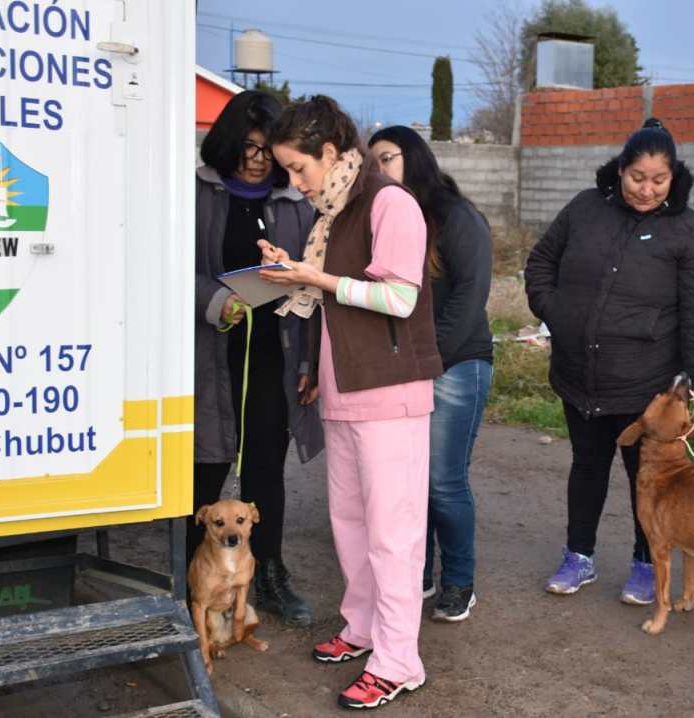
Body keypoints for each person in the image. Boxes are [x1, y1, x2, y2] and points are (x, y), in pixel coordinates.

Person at [260, 97, 442, 710]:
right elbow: (334, 298)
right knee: (351, 525)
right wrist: (295, 271)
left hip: (390, 393)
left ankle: (399, 661)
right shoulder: (330, 212)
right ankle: (361, 628)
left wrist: (314, 280)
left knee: (394, 535)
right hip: (344, 390)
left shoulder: (392, 202)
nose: (293, 181)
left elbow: (399, 300)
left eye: (298, 168)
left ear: (331, 153)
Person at [524, 118, 694, 605]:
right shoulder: (585, 209)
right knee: (586, 465)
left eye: (659, 179)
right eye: (637, 177)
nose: (647, 190)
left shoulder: (690, 229)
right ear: (619, 170)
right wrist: (554, 312)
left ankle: (642, 561)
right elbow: (541, 262)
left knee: (647, 476)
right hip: (579, 373)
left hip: (645, 384)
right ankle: (579, 556)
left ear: (674, 176)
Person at [192, 90, 323, 626]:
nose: (256, 159)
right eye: (246, 147)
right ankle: (193, 576)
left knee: (266, 468)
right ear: (226, 142)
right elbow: (163, 265)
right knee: (206, 463)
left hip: (275, 352)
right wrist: (218, 301)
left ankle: (266, 570)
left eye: (267, 149)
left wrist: (311, 361)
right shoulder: (195, 195)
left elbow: (315, 287)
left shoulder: (298, 204)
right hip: (208, 353)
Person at [367, 126, 493, 623]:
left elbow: (469, 297)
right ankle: (417, 572)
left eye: (388, 158)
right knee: (409, 479)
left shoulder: (457, 217)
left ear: (415, 158)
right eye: (371, 162)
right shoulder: (384, 219)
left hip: (456, 363)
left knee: (443, 480)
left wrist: (426, 357)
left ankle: (460, 582)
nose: (378, 170)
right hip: (408, 365)